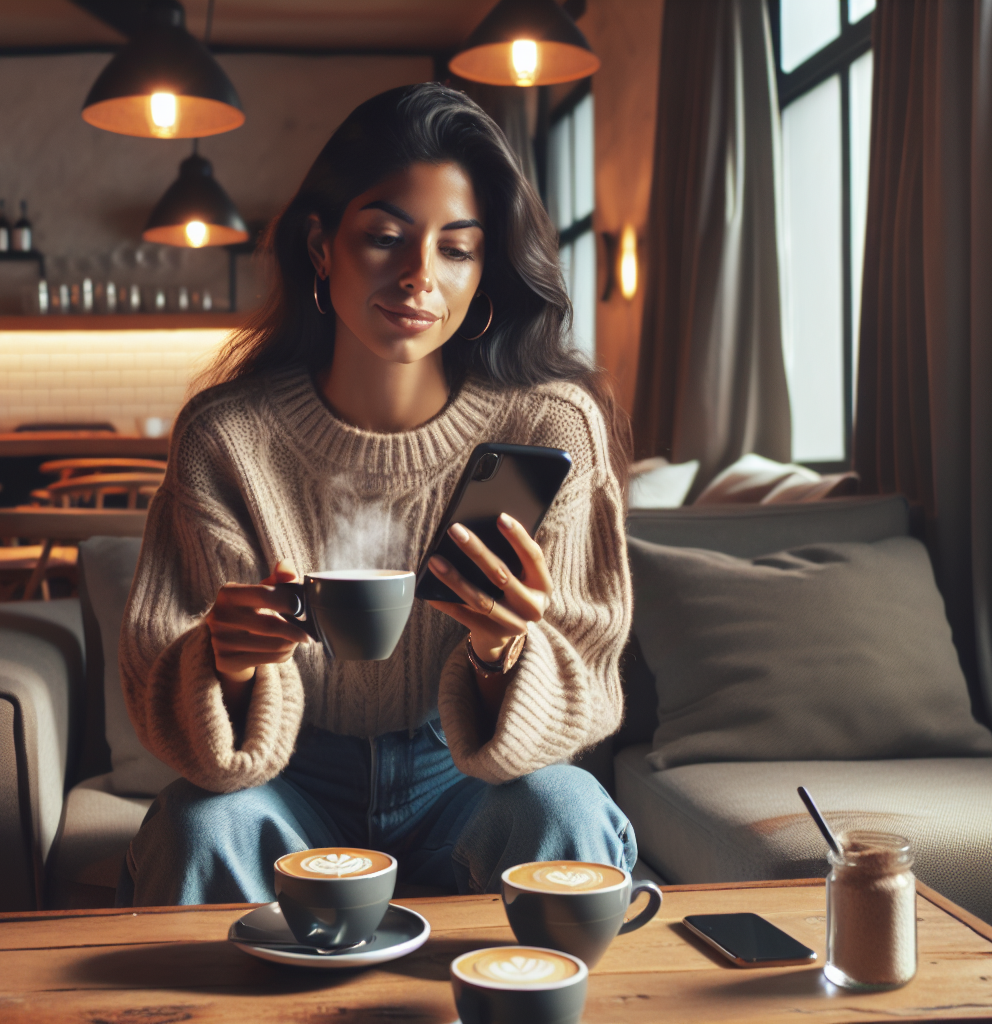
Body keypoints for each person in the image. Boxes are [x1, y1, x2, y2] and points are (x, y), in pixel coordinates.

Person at [118, 82, 634, 907]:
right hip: (287, 775)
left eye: (457, 249)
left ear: (485, 268)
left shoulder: (552, 427)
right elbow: (173, 699)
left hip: (466, 780)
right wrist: (228, 662)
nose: (418, 277)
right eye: (386, 238)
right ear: (322, 247)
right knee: (197, 825)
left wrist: (503, 652)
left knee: (565, 807)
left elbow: (589, 676)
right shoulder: (227, 437)